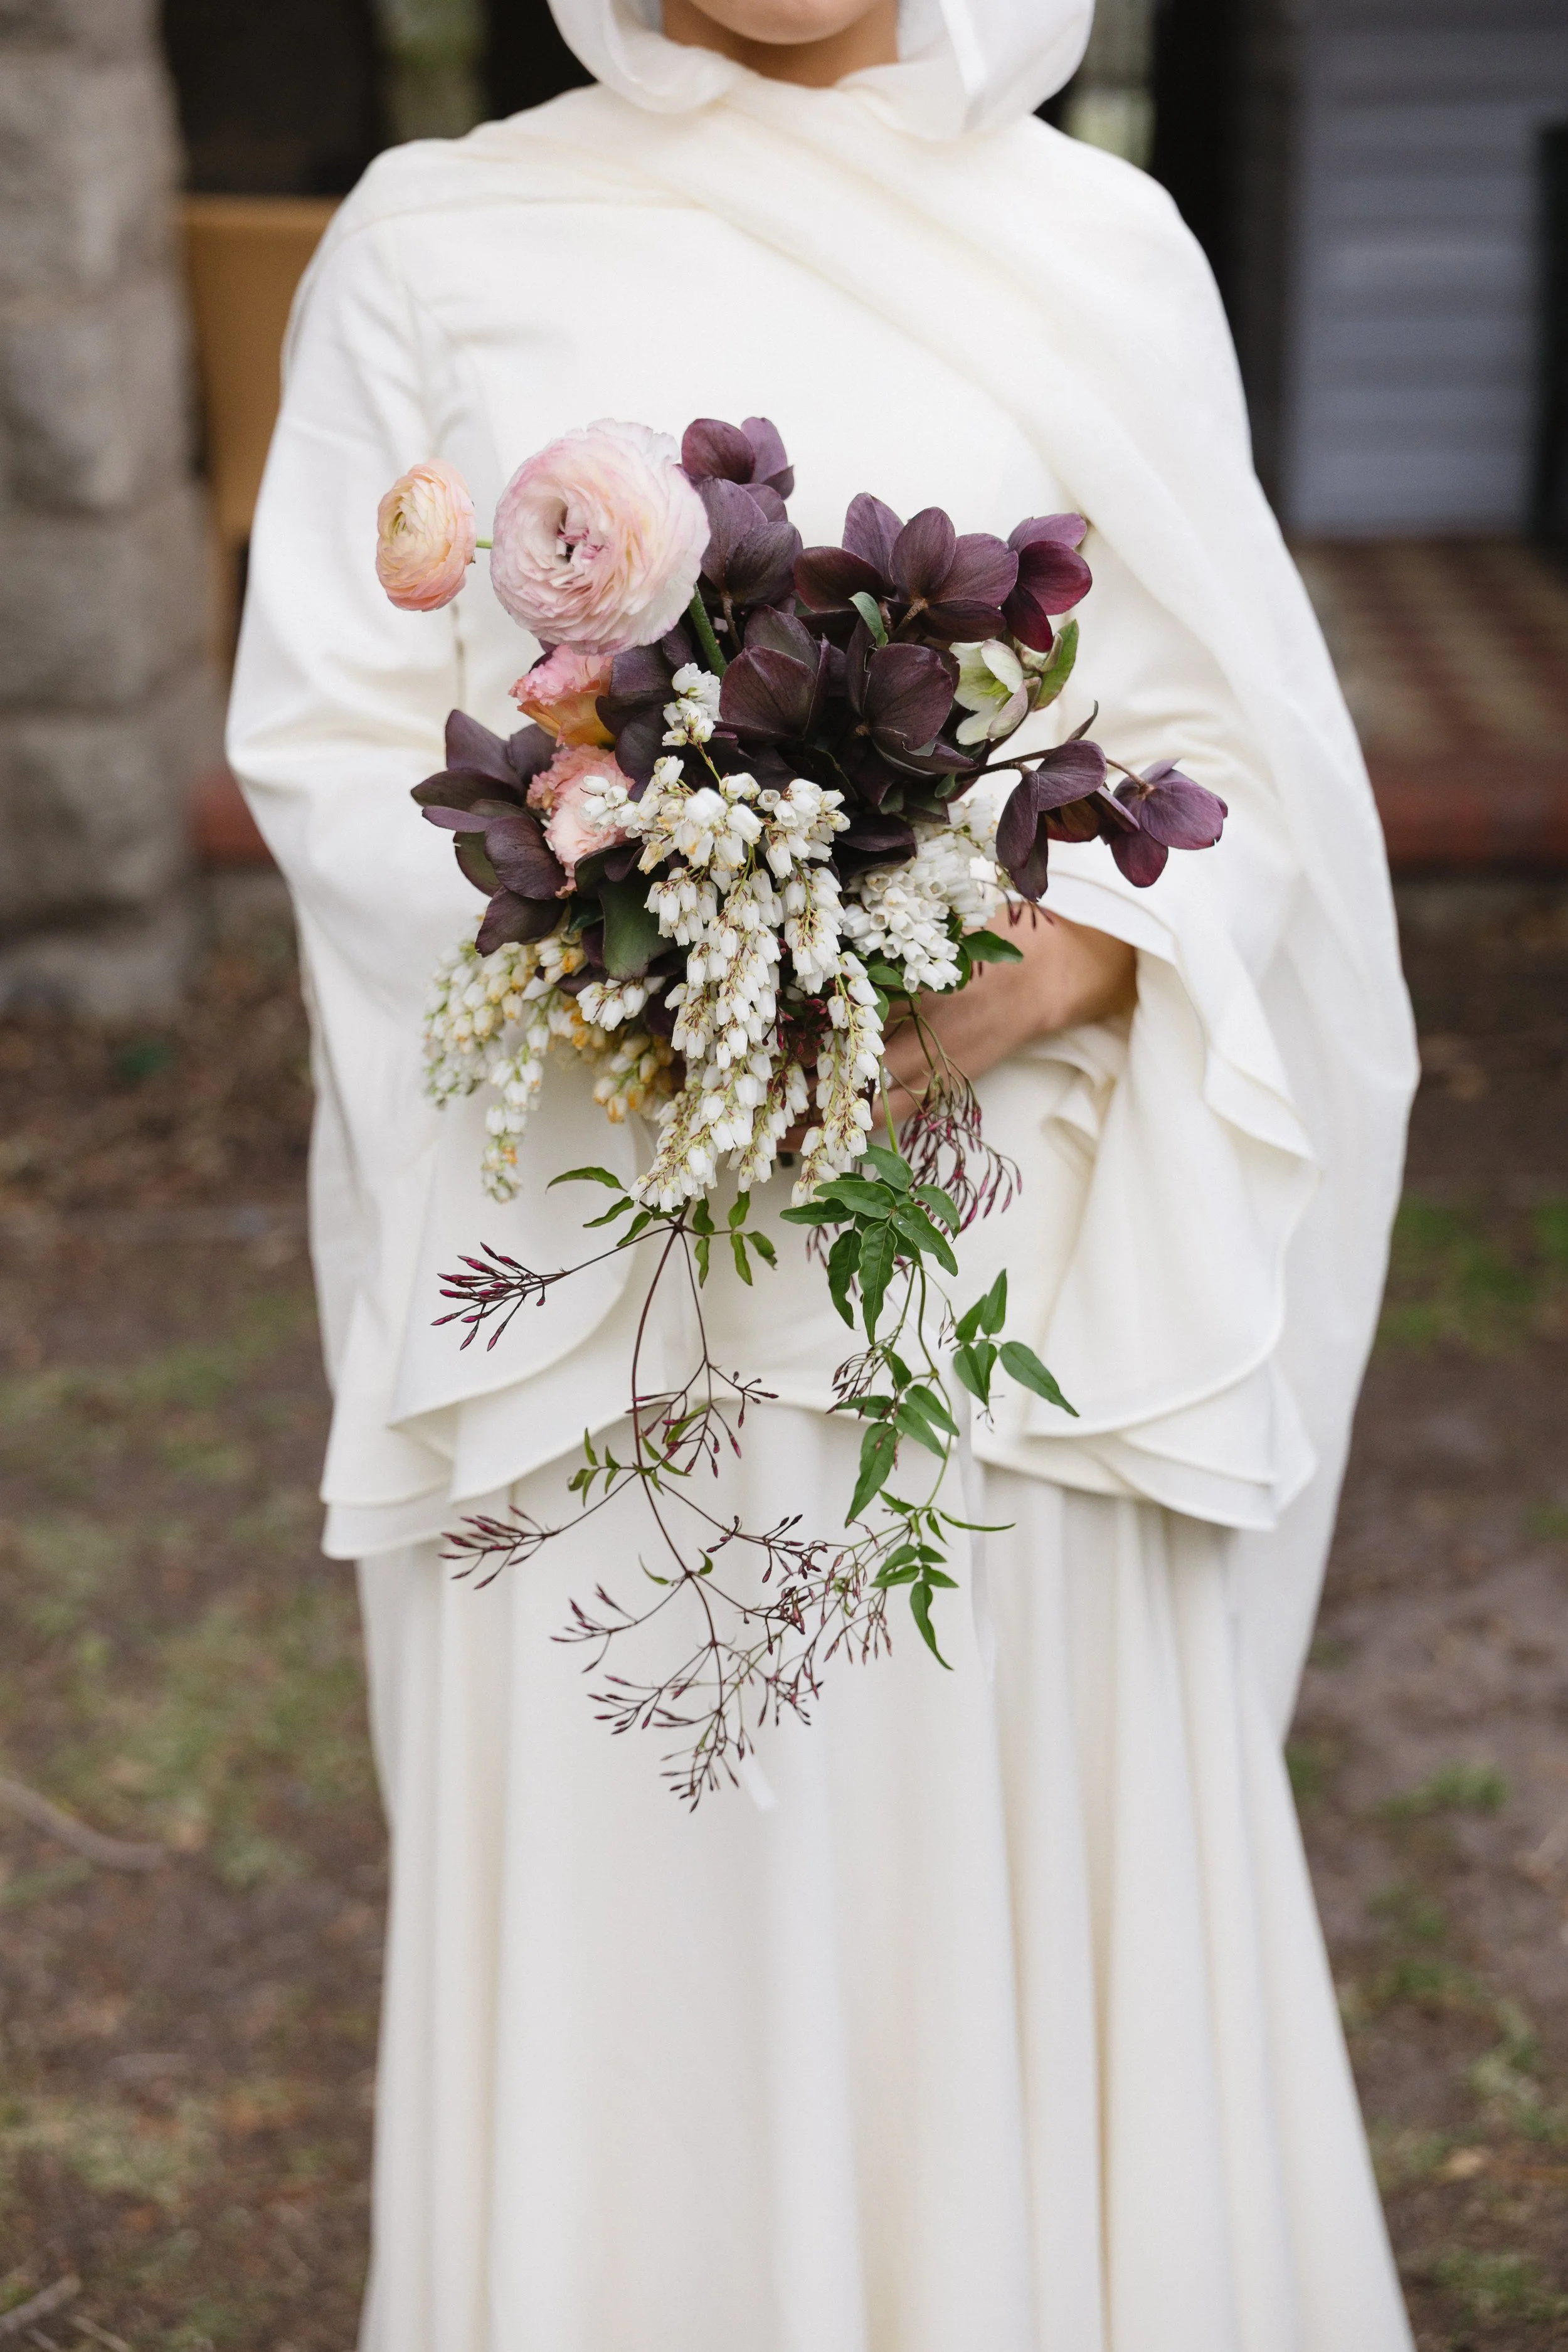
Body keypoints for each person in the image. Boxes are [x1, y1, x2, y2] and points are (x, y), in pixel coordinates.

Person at [226, 0, 1420, 2344]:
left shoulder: (1103, 243)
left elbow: (1233, 762)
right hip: (602, 1280)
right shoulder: (434, 237)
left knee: (973, 1870)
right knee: (651, 1909)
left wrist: (1063, 966)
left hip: (989, 1289)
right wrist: (629, 978)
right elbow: (326, 741)